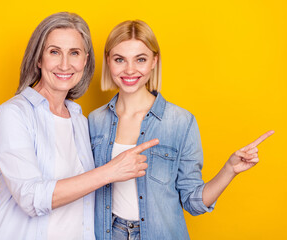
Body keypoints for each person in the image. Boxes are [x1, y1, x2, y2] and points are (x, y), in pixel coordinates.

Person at [88, 20, 274, 240]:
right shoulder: (94, 121)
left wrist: (229, 170)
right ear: (108, 60)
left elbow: (193, 203)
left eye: (140, 59)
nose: (130, 69)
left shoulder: (180, 122)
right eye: (120, 59)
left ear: (154, 61)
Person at [0, 13, 159, 240]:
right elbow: (31, 198)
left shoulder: (80, 120)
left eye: (74, 53)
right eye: (54, 52)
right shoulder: (13, 114)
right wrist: (111, 171)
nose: (65, 64)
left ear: (85, 60)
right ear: (39, 58)